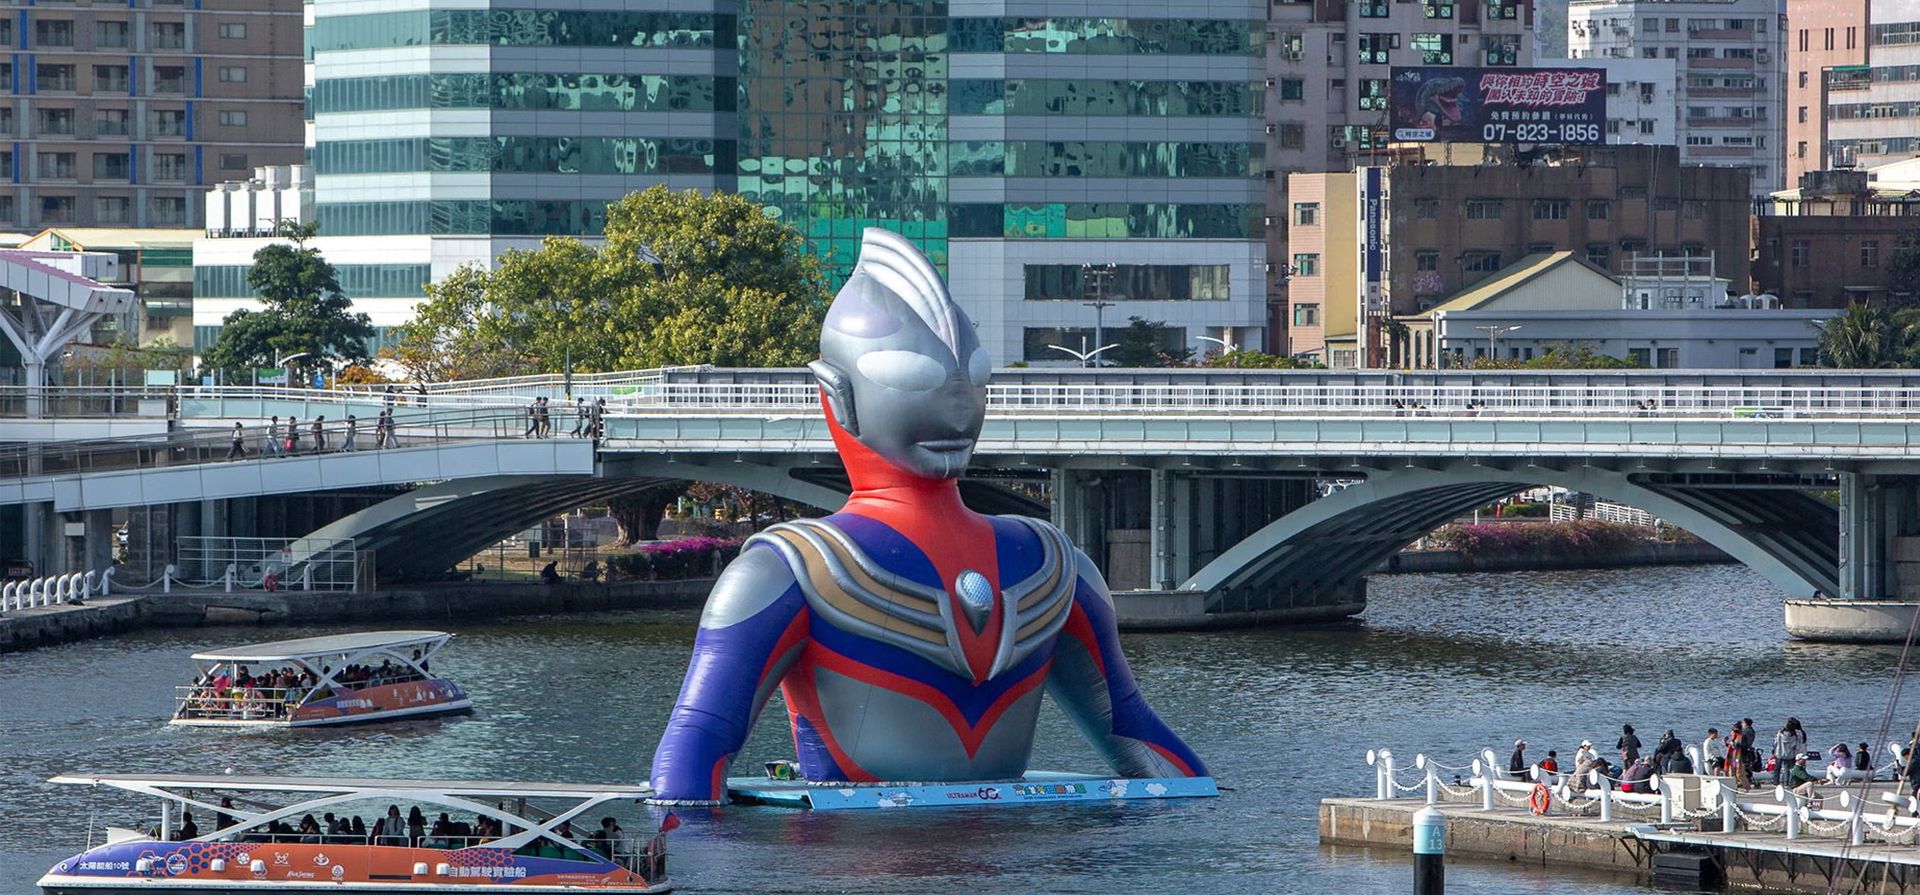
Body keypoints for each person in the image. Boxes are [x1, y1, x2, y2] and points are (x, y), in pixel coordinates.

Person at [1774, 718, 1808, 784]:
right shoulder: (1794, 736)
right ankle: (1787, 782)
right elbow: (1795, 746)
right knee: (1788, 770)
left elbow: (1775, 742)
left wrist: (1774, 749)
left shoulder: (1780, 733)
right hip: (1789, 754)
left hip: (1779, 752)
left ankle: (1776, 782)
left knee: (1777, 769)